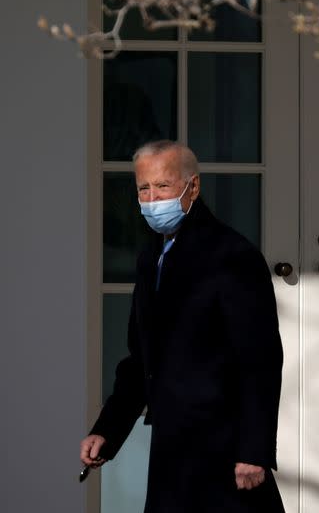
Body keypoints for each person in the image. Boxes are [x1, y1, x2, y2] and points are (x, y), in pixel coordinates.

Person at [80, 140, 284, 512]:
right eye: (144, 188)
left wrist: (253, 451)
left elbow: (261, 361)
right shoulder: (150, 259)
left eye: (163, 186)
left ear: (193, 187)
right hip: (171, 457)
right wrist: (107, 431)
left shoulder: (233, 256)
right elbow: (141, 359)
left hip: (226, 455)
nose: (152, 198)